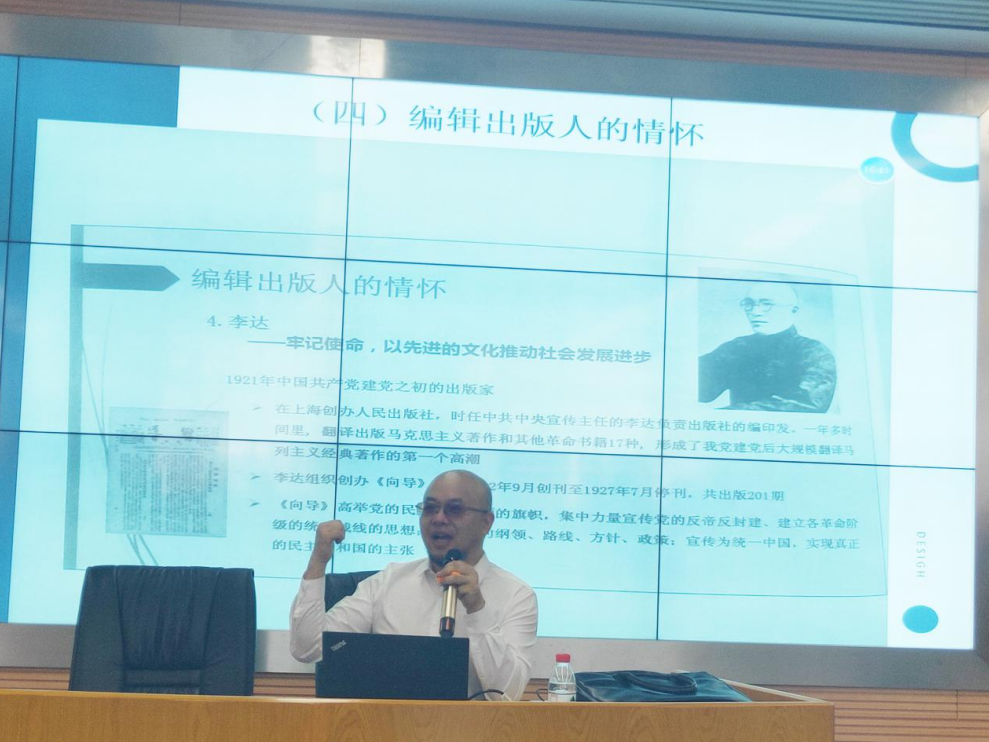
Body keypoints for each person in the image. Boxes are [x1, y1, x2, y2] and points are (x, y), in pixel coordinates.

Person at [289, 469, 537, 701]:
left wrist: (477, 609)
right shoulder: (388, 582)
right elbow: (308, 649)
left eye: (454, 509)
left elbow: (507, 695)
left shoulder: (516, 595)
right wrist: (318, 561)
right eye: (430, 508)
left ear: (486, 522)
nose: (438, 519)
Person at [698, 283, 836, 412]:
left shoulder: (813, 352)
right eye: (749, 304)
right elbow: (700, 388)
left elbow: (806, 404)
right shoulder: (736, 347)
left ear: (793, 310)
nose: (755, 312)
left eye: (766, 304)